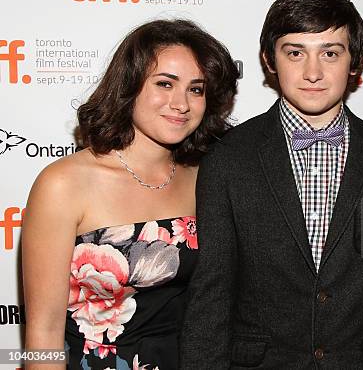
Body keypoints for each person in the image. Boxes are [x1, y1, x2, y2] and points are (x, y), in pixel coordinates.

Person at [180, 0, 363, 368]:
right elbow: (211, 296)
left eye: (330, 53)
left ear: (355, 62)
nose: (313, 72)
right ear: (269, 60)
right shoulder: (228, 157)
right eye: (295, 53)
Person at [22, 19, 238, 369]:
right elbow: (43, 334)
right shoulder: (64, 184)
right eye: (165, 84)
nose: (181, 103)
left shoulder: (207, 178)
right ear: (130, 86)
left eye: (196, 89)